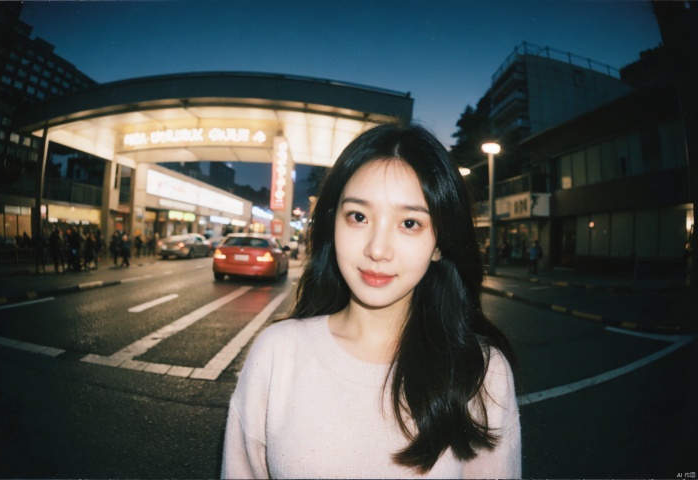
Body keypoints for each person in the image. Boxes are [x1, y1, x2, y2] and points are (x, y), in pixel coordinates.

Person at [221, 124, 521, 479]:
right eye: (359, 217)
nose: (377, 249)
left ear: (440, 243)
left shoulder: (481, 371)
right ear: (334, 224)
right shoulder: (277, 353)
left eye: (409, 223)